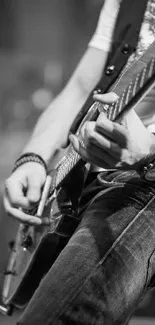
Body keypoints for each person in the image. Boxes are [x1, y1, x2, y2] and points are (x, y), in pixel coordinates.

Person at [3, 0, 155, 324]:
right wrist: (32, 158)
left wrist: (148, 155)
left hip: (144, 185)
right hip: (77, 176)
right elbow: (81, 88)